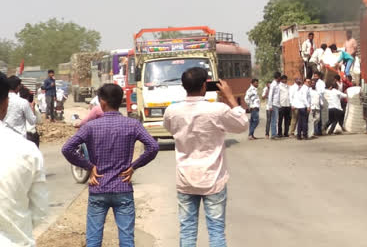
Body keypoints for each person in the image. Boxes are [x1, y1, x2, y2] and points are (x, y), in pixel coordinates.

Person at [62, 83, 159, 247]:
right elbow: (153, 147)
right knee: (127, 239)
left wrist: (89, 166)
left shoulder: (90, 127)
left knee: (93, 240)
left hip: (98, 187)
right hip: (123, 188)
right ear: (120, 100)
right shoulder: (132, 124)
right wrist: (134, 166)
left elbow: (67, 148)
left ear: (102, 102)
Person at [163, 68, 247, 247]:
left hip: (185, 178)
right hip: (213, 178)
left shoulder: (172, 111)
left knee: (187, 229)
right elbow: (242, 125)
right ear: (204, 86)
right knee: (216, 230)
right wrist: (231, 97)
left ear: (183, 86)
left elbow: (170, 129)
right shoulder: (217, 109)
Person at [0, 74, 48, 247]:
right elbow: (40, 210)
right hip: (18, 146)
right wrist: (17, 226)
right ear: (4, 105)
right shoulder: (28, 151)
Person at [266, 72, 280, 138]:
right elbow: (270, 95)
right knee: (274, 120)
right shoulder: (273, 85)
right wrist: (270, 105)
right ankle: (273, 134)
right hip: (273, 104)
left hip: (276, 104)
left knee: (275, 119)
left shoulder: (277, 84)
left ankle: (274, 133)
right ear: (278, 77)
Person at [313, 71, 326, 136]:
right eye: (314, 76)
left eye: (316, 76)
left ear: (319, 76)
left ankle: (318, 131)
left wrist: (317, 93)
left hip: (319, 101)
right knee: (314, 118)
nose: (315, 77)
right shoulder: (314, 82)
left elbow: (322, 91)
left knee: (318, 118)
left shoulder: (321, 83)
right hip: (313, 102)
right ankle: (314, 131)